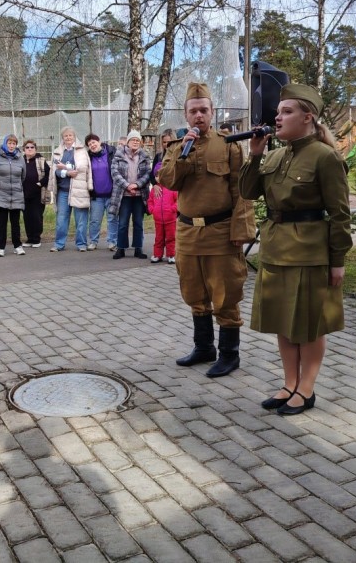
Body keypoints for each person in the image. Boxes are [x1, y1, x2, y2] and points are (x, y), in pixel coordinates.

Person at [239, 83, 352, 415]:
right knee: (283, 322)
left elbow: (340, 214)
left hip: (309, 253)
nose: (278, 117)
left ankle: (307, 388)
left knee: (309, 324)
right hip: (275, 251)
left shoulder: (325, 157)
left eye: (286, 111)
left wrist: (337, 261)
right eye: (278, 112)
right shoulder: (273, 154)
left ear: (308, 117)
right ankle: (289, 383)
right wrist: (255, 153)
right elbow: (247, 191)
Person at [157, 82, 257, 378]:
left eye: (204, 110)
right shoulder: (176, 148)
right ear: (185, 115)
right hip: (188, 233)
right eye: (193, 111)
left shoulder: (229, 145)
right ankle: (204, 348)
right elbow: (168, 182)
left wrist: (242, 229)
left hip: (221, 232)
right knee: (193, 290)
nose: (198, 115)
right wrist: (183, 156)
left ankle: (229, 354)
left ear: (212, 112)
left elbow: (242, 191)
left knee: (225, 293)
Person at [49, 126, 92, 252]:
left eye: (70, 135)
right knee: (61, 219)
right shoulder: (57, 152)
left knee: (81, 220)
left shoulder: (82, 151)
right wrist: (67, 172)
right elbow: (55, 172)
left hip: (79, 190)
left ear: (74, 137)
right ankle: (59, 244)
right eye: (65, 136)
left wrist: (65, 168)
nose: (68, 137)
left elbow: (84, 169)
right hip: (63, 191)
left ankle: (81, 244)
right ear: (62, 138)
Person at [110, 130, 151, 259]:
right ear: (127, 142)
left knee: (138, 223)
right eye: (133, 140)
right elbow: (114, 173)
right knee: (122, 223)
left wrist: (137, 185)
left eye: (137, 140)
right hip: (124, 196)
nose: (135, 142)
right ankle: (121, 249)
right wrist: (127, 186)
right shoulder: (119, 155)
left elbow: (147, 174)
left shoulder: (144, 156)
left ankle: (138, 249)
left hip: (139, 196)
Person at [0, 134, 26, 257]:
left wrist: (16, 185)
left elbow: (23, 176)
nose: (11, 146)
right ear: (5, 143)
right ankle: (0, 247)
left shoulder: (20, 158)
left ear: (16, 145)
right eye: (9, 143)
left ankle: (17, 246)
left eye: (14, 143)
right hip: (1, 195)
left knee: (15, 222)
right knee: (2, 223)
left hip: (16, 194)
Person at [86, 133, 118, 251]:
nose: (92, 145)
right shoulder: (88, 157)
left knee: (113, 219)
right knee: (94, 220)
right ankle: (93, 241)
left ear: (99, 141)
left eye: (93, 142)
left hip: (111, 194)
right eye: (89, 144)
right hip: (96, 196)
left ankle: (112, 242)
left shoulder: (111, 153)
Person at [21, 139, 49, 248]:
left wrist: (39, 183)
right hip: (24, 194)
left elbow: (48, 174)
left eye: (32, 147)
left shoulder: (41, 160)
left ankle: (36, 239)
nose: (29, 149)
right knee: (27, 217)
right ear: (24, 149)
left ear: (35, 149)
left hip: (37, 194)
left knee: (36, 216)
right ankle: (30, 238)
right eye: (27, 147)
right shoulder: (20, 160)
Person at [147, 162, 177, 264]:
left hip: (170, 219)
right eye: (156, 175)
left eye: (160, 175)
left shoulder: (172, 188)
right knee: (159, 238)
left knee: (171, 238)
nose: (158, 177)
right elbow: (150, 201)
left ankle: (171, 255)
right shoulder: (154, 190)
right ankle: (157, 255)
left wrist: (173, 209)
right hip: (158, 219)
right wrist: (152, 209)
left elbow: (178, 201)